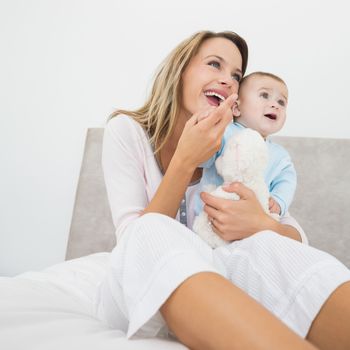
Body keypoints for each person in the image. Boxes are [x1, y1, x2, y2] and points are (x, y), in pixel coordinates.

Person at [96, 30, 350, 350]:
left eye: (236, 75)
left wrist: (262, 223)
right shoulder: (126, 131)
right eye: (214, 64)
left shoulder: (236, 144)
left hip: (220, 282)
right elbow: (134, 246)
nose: (228, 80)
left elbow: (296, 236)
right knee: (149, 230)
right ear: (180, 71)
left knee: (264, 247)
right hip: (140, 288)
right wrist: (186, 159)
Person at [195, 71, 296, 222]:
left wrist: (279, 201)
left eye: (281, 102)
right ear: (236, 108)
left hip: (251, 224)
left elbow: (287, 181)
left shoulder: (280, 156)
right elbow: (202, 159)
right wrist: (203, 129)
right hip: (211, 216)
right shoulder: (224, 133)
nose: (275, 105)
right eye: (264, 95)